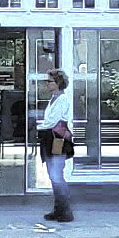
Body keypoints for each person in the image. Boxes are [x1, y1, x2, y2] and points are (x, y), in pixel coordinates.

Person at [37, 69, 74, 222]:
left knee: (57, 174)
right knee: (53, 175)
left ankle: (65, 210)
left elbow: (53, 121)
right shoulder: (53, 98)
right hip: (50, 137)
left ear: (58, 83)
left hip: (57, 139)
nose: (47, 84)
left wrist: (39, 126)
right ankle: (59, 209)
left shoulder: (62, 99)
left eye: (50, 81)